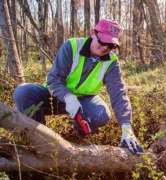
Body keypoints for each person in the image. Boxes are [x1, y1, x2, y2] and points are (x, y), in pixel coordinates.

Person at [13, 19, 143, 154]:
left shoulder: (112, 62)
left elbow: (119, 93)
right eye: (103, 41)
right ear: (93, 33)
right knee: (23, 92)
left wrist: (127, 127)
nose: (105, 47)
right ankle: (39, 139)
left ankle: (77, 138)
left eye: (111, 45)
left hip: (84, 100)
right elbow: (54, 79)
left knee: (101, 115)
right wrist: (68, 97)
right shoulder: (72, 46)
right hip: (55, 95)